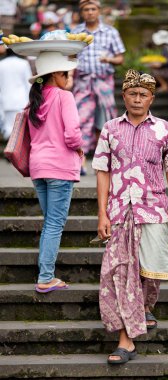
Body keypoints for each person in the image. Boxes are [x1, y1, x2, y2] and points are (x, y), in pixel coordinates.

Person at [92, 69, 168, 364]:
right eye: (132, 94)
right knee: (119, 272)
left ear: (151, 99)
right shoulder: (110, 129)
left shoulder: (164, 130)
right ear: (123, 96)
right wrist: (102, 213)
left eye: (143, 95)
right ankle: (126, 340)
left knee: (151, 270)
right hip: (120, 211)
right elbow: (102, 172)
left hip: (154, 208)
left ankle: (144, 307)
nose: (137, 99)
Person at [26, 51, 84, 293]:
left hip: (38, 166)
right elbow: (72, 134)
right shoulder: (64, 96)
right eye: (66, 74)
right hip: (59, 167)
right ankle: (46, 276)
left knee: (50, 222)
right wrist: (80, 148)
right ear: (57, 75)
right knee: (54, 224)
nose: (68, 79)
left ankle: (45, 273)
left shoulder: (34, 100)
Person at [72, 0, 125, 175]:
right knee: (80, 120)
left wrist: (108, 59)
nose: (90, 12)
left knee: (105, 121)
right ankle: (81, 161)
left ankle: (102, 162)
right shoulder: (76, 32)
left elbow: (120, 58)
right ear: (82, 12)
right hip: (83, 82)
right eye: (86, 9)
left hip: (104, 81)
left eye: (93, 9)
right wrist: (69, 78)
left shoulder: (110, 32)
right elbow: (70, 57)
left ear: (98, 11)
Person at [0, 47, 32, 140]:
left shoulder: (1, 64)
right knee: (21, 133)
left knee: (9, 132)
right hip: (21, 102)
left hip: (6, 102)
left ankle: (8, 153)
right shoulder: (23, 63)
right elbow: (28, 84)